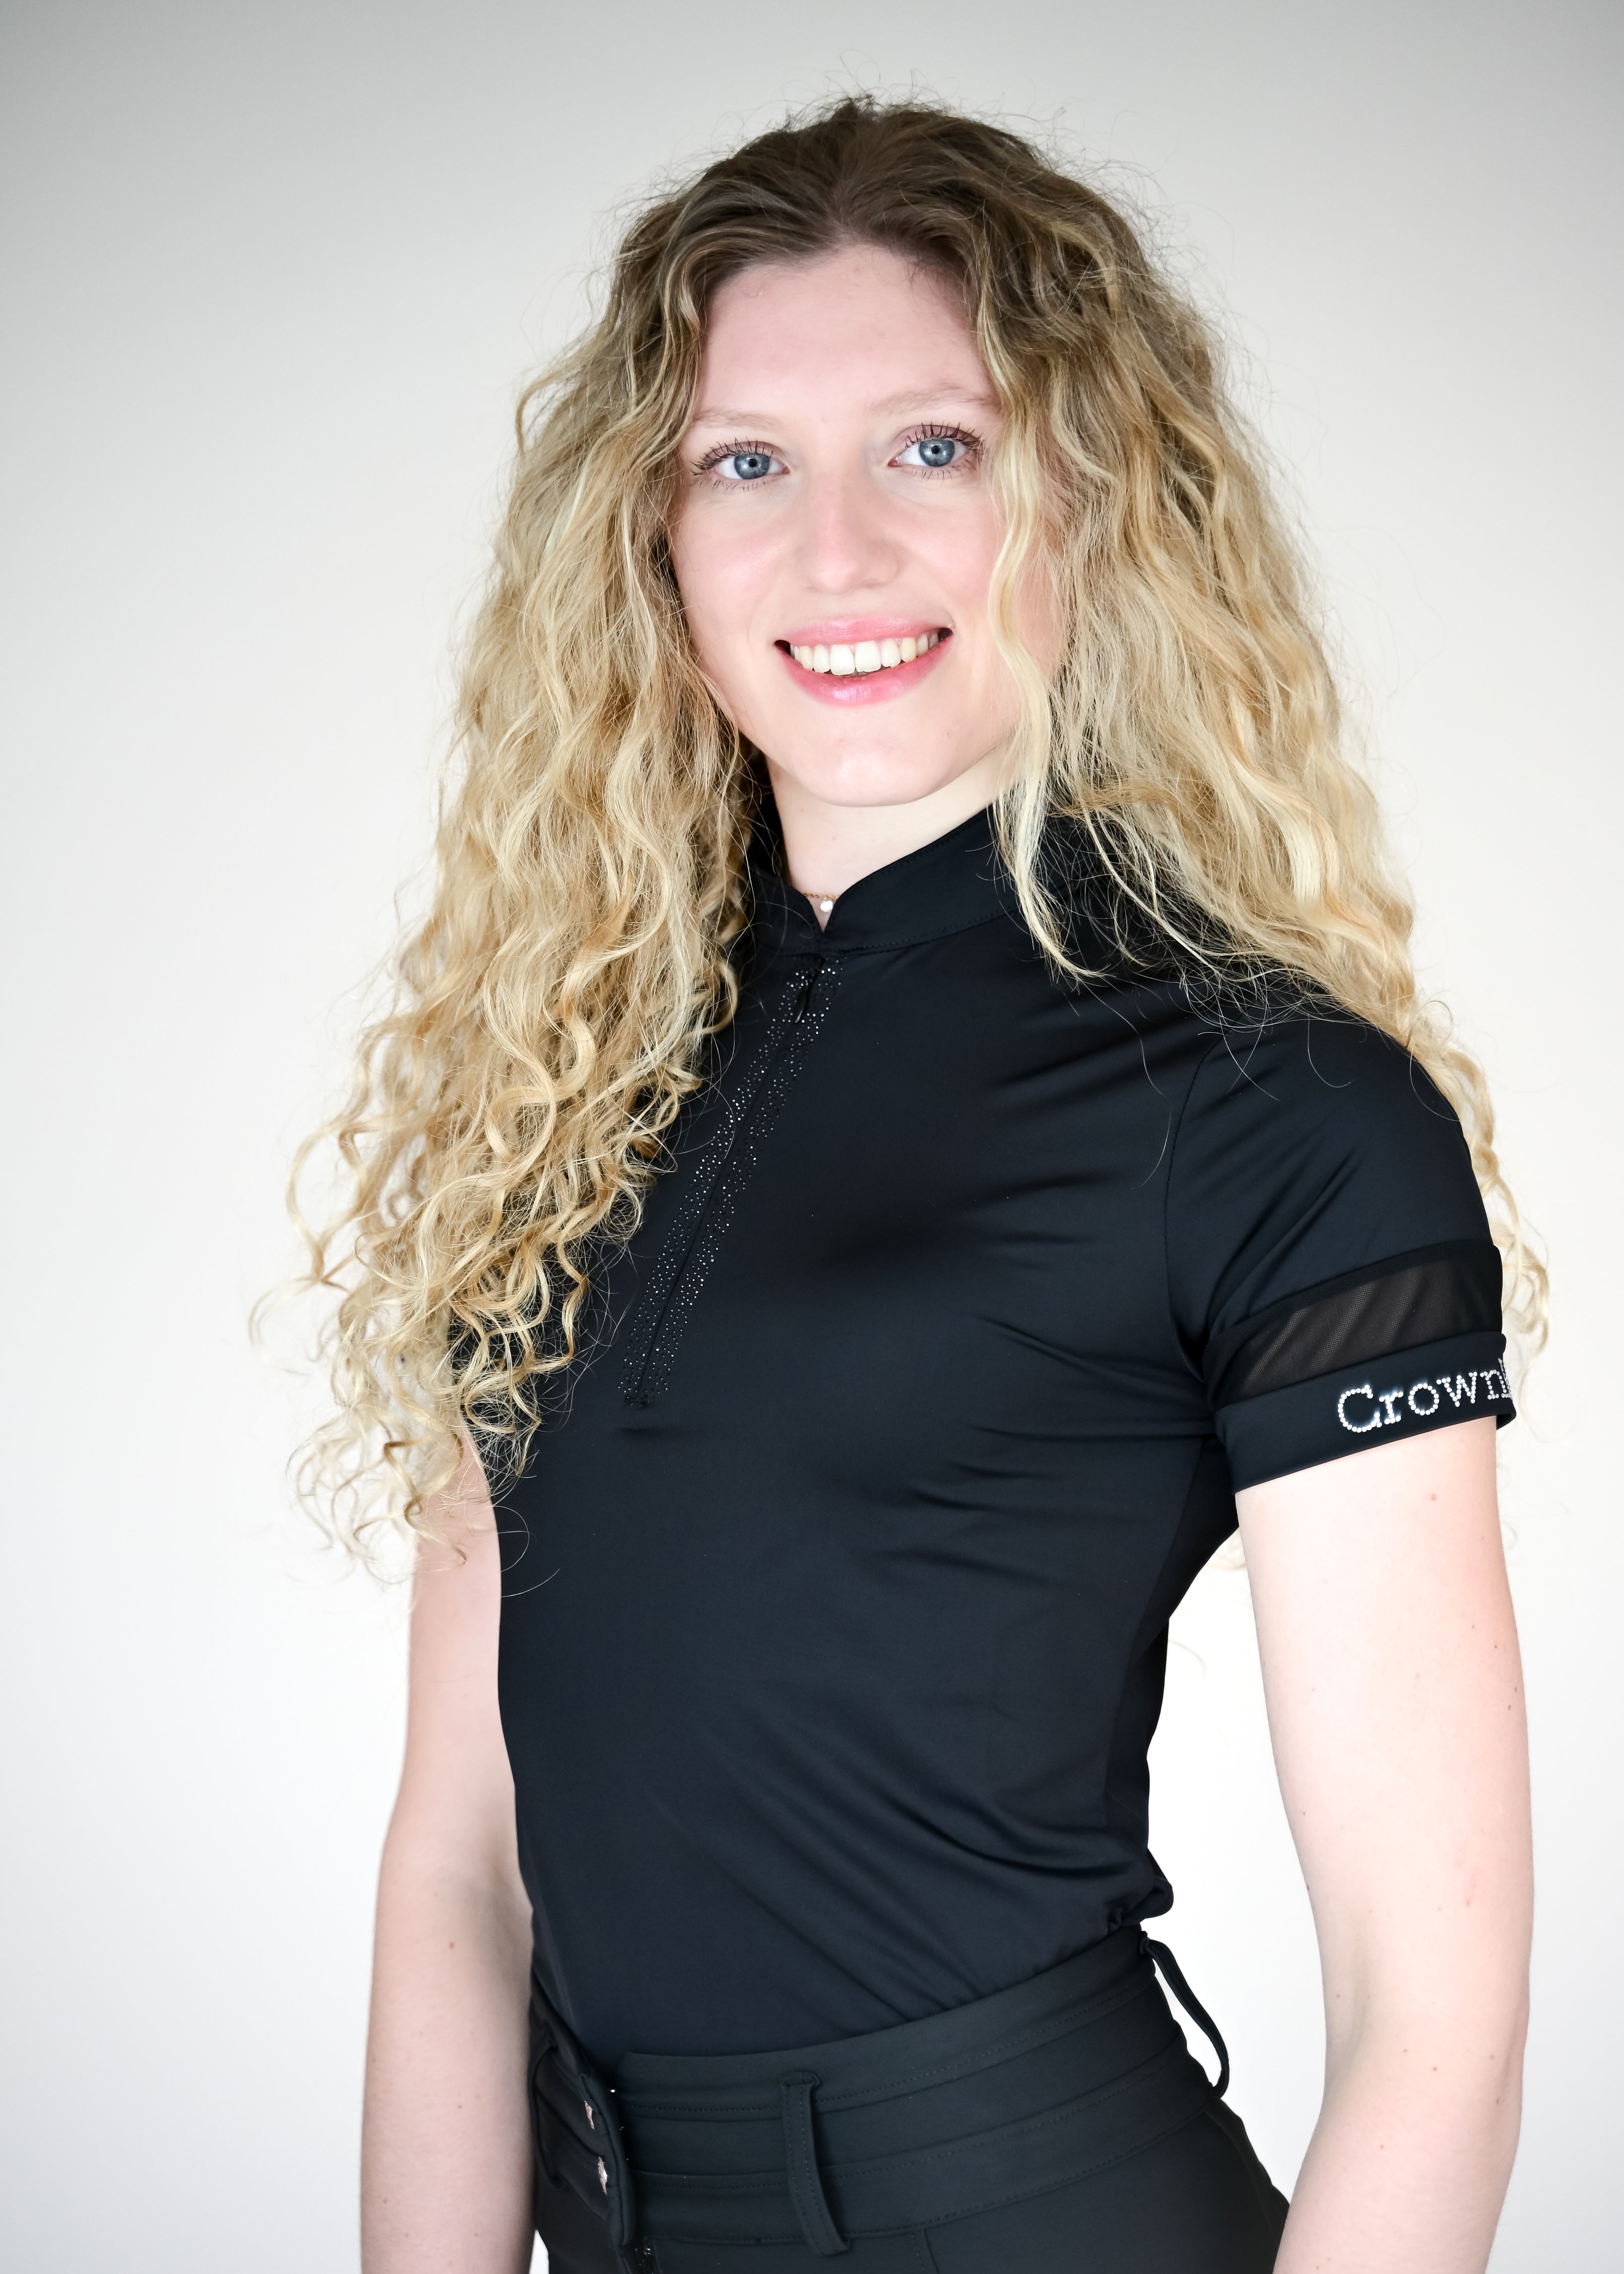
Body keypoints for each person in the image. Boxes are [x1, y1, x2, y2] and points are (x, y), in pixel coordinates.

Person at [299, 96, 1538, 2274]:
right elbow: (459, 1864)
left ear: (1089, 498)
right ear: (651, 536)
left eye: (935, 449)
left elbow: (1431, 2016)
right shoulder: (554, 1092)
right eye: (745, 464)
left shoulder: (1275, 1110)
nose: (837, 553)